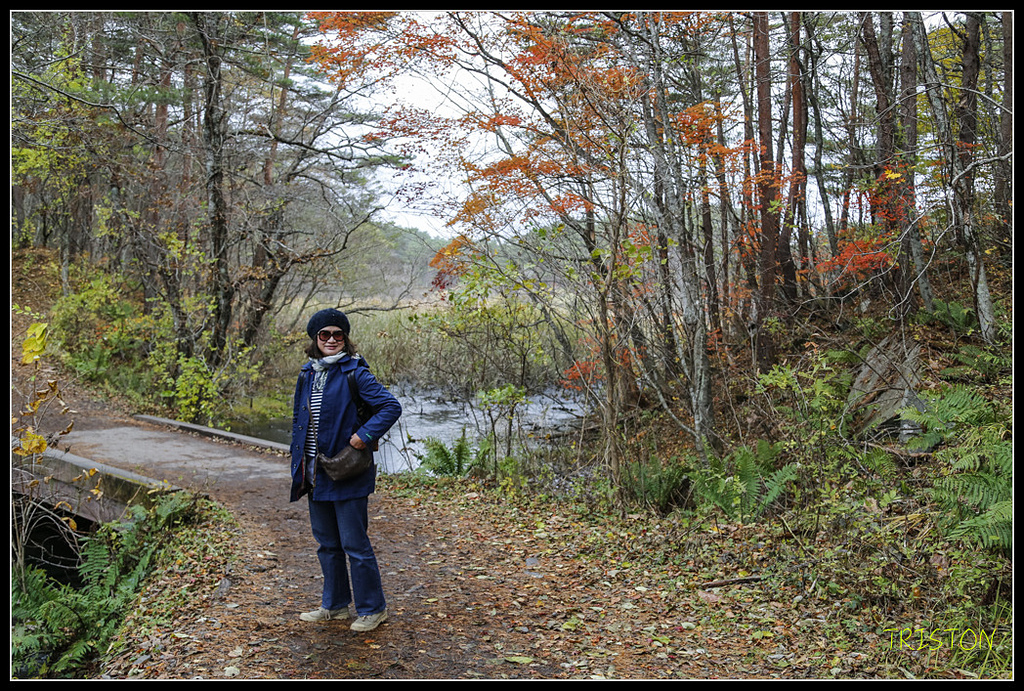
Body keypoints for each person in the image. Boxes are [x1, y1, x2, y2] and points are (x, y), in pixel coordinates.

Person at [289, 308, 402, 632]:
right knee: (327, 544)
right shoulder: (307, 373)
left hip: (348, 471)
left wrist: (363, 436)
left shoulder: (356, 372)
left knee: (355, 544)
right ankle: (335, 606)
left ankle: (373, 609)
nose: (332, 340)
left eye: (338, 335)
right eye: (325, 334)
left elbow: (390, 406)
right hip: (315, 472)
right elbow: (301, 421)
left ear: (345, 339)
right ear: (315, 339)